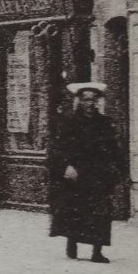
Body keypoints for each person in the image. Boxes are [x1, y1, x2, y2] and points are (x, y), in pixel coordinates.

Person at [48, 83, 123, 263]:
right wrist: (67, 166)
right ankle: (72, 241)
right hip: (77, 174)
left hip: (99, 174)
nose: (90, 103)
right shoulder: (69, 122)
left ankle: (97, 250)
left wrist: (117, 169)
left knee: (101, 211)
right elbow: (59, 148)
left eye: (93, 100)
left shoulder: (104, 122)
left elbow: (113, 148)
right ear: (79, 101)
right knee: (76, 210)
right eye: (86, 100)